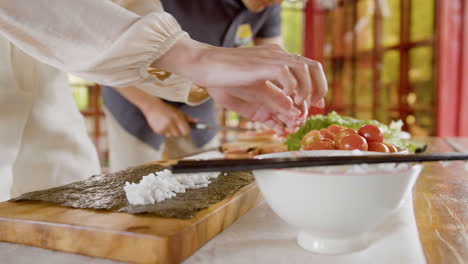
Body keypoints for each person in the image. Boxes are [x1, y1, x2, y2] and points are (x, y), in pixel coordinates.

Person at [0, 0, 327, 200]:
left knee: (66, 209)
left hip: (49, 85)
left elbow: (125, 4)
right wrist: (191, 59)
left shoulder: (269, 12)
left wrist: (202, 75)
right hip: (133, 97)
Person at [101, 0, 290, 171]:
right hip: (135, 98)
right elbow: (111, 50)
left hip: (200, 103)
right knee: (135, 182)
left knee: (208, 177)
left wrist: (277, 106)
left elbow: (271, 66)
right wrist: (151, 107)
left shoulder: (270, 6)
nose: (280, 2)